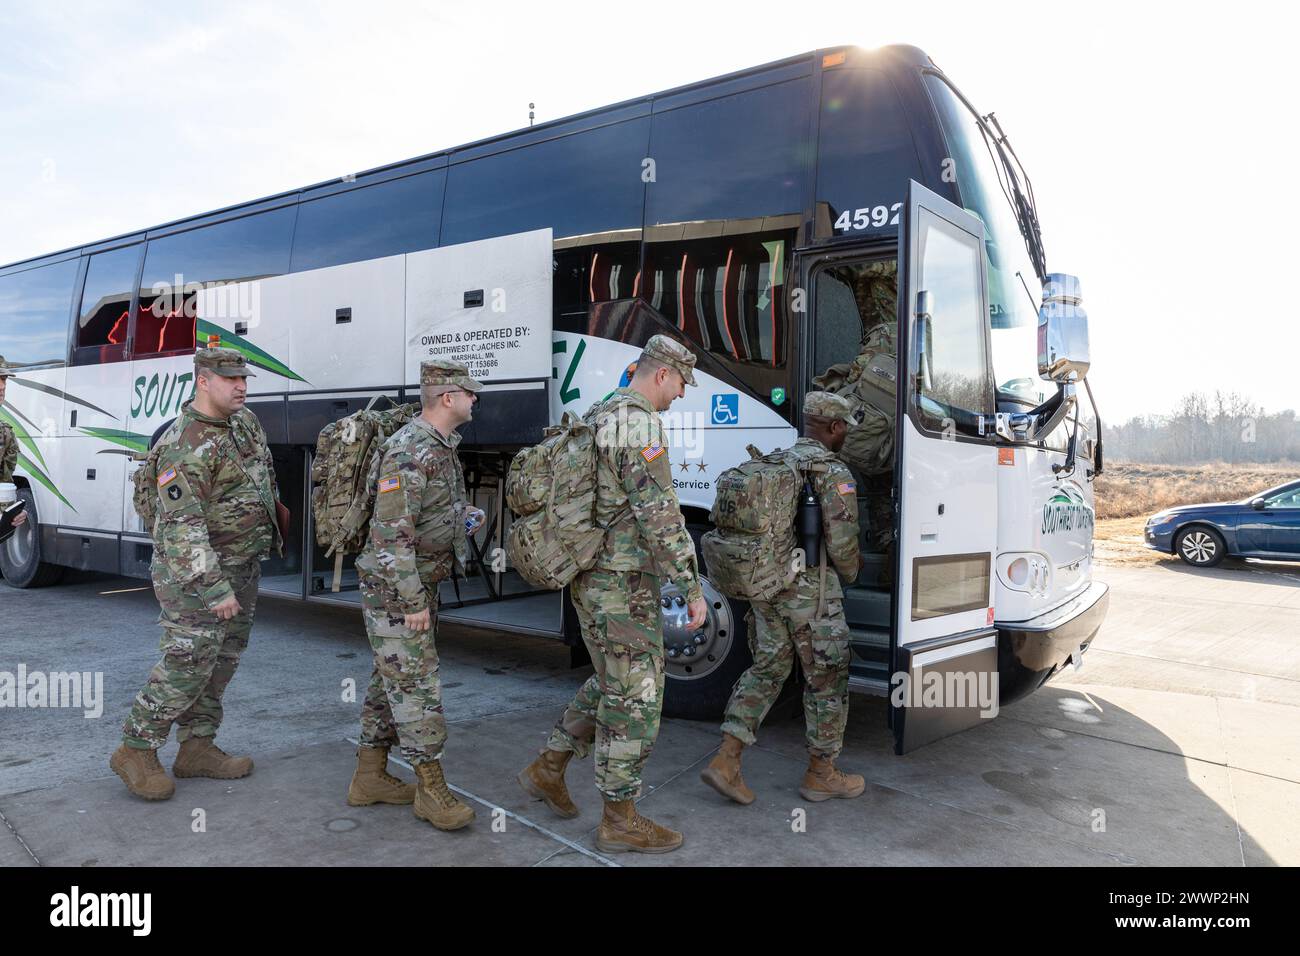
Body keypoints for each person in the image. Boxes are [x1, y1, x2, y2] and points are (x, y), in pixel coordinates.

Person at [517, 334, 706, 854]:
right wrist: (690, 587)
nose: (682, 395)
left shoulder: (602, 412)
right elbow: (659, 512)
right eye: (683, 383)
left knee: (612, 680)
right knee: (637, 696)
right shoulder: (638, 421)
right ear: (662, 373)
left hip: (595, 577)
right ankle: (619, 818)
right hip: (620, 584)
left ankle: (548, 767)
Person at [111, 345, 282, 800]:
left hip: (241, 567)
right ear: (203, 382)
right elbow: (182, 528)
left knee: (221, 662)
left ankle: (197, 748)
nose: (241, 386)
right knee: (186, 662)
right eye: (231, 380)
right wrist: (214, 587)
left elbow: (264, 481)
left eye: (244, 378)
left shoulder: (245, 424)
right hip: (195, 578)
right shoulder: (182, 446)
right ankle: (135, 747)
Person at [700, 391, 867, 804]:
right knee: (827, 677)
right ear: (834, 427)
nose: (845, 433)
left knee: (768, 668)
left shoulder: (778, 462)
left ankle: (727, 759)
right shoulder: (832, 472)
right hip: (812, 597)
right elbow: (843, 546)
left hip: (766, 586)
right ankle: (821, 774)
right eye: (844, 426)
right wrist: (852, 574)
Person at [349, 359, 484, 832]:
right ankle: (431, 788)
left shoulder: (441, 447)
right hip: (396, 589)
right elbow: (390, 535)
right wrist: (412, 603)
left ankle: (368, 776)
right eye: (470, 393)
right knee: (416, 685)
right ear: (448, 397)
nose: (474, 400)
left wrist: (461, 516)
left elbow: (422, 513)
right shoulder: (409, 449)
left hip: (419, 581)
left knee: (391, 679)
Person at [0, 356, 29, 528]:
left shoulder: (5, 432)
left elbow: (4, 485)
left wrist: (12, 511)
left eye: (3, 379)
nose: (2, 386)